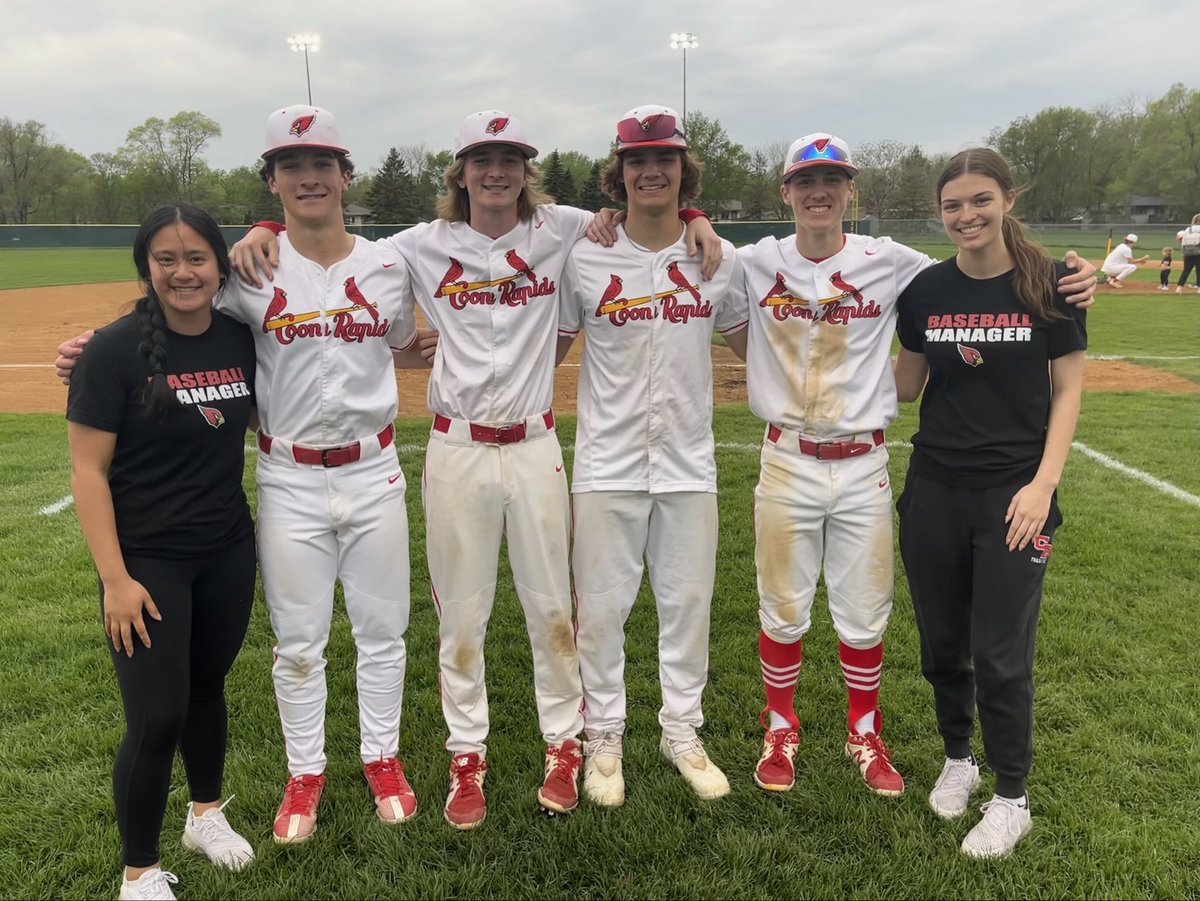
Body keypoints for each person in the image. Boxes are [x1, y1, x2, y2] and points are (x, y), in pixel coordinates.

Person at [228, 109, 723, 829]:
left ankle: (564, 741)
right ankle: (468, 753)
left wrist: (698, 216)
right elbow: (331, 244)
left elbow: (647, 206)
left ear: (528, 170)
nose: (497, 172)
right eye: (481, 159)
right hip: (456, 448)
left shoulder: (564, 229)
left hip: (534, 445)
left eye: (511, 159)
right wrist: (263, 230)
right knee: (462, 613)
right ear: (459, 172)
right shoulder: (415, 247)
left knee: (552, 607)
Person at [60, 105, 435, 847]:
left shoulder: (390, 265)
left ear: (345, 175)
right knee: (298, 640)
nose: (309, 178)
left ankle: (381, 755)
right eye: (291, 166)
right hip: (290, 477)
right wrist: (91, 347)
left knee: (383, 629)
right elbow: (172, 310)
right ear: (272, 182)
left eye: (322, 164)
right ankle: (306, 771)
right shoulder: (247, 272)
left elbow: (398, 342)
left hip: (373, 469)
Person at [724, 133, 1096, 801]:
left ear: (849, 192)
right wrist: (684, 217)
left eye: (832, 180)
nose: (819, 192)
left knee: (866, 611)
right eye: (805, 181)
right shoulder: (750, 261)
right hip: (786, 457)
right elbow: (674, 248)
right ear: (785, 192)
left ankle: (863, 729)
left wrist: (1072, 274)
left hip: (864, 460)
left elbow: (982, 262)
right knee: (782, 607)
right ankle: (780, 725)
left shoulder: (895, 263)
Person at [892, 147, 1087, 858]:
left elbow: (1067, 389)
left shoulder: (1053, 282)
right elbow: (905, 388)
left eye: (980, 199)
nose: (966, 215)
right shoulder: (925, 291)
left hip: (1015, 496)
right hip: (935, 490)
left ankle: (1012, 798)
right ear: (939, 212)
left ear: (1007, 197)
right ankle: (958, 758)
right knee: (943, 644)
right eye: (952, 205)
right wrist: (819, 358)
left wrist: (1041, 485)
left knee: (1000, 655)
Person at [557, 105, 748, 807]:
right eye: (638, 160)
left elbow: (755, 346)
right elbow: (541, 345)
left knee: (687, 602)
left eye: (664, 159)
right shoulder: (585, 253)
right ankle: (603, 733)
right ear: (620, 173)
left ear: (682, 171)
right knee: (602, 606)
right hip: (605, 462)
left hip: (688, 460)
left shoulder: (717, 260)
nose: (651, 170)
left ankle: (681, 728)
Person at [68, 204, 257, 900]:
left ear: (220, 264)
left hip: (228, 548)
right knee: (156, 715)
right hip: (147, 561)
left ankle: (204, 813)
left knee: (207, 689)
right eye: (167, 260)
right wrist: (114, 578)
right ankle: (139, 870)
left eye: (198, 258)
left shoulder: (240, 337)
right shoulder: (113, 350)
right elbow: (87, 472)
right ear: (147, 268)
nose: (183, 272)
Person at [1175, 213, 1200, 293]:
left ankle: (1179, 287)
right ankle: (1199, 288)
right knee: (1199, 270)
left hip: (1188, 252)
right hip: (1198, 252)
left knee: (1186, 270)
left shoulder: (1188, 229)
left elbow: (1182, 240)